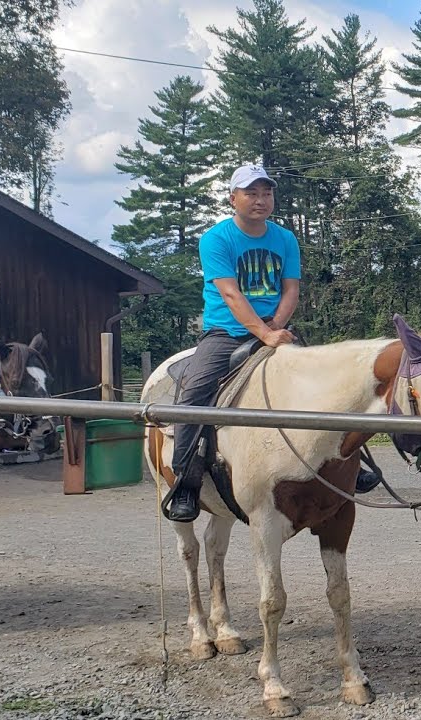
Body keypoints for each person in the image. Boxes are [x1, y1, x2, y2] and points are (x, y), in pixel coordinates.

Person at [161, 165, 301, 522]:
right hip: (226, 331)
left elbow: (291, 291)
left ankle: (348, 463)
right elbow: (230, 293)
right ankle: (186, 483)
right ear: (232, 199)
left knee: (322, 381)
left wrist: (275, 328)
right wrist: (264, 334)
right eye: (251, 193)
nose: (260, 200)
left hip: (273, 326)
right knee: (193, 395)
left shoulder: (285, 238)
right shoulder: (216, 239)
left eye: (266, 193)